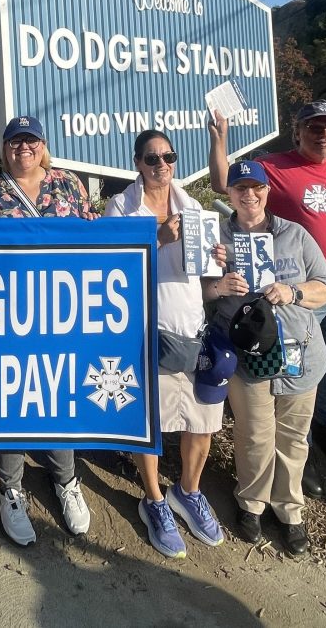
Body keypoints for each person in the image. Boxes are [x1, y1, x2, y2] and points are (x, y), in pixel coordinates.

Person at [209, 101, 326, 496]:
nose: (323, 134)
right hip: (281, 297)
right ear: (298, 131)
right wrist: (220, 137)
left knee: (325, 366)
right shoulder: (274, 167)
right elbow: (227, 180)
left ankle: (322, 436)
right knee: (273, 378)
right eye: (314, 127)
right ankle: (276, 476)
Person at [0, 115, 94, 546]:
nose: (23, 148)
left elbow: (98, 239)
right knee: (13, 395)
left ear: (43, 145)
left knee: (56, 391)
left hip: (63, 310)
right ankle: (11, 487)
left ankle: (66, 480)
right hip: (6, 312)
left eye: (31, 141)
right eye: (15, 142)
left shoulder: (69, 185)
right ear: (5, 148)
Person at [102, 130, 225, 558]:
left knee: (203, 424)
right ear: (138, 163)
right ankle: (154, 499)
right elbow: (112, 265)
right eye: (152, 158)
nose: (161, 164)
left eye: (168, 156)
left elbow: (205, 281)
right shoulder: (121, 206)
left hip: (192, 328)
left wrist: (219, 268)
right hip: (146, 331)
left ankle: (187, 493)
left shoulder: (195, 207)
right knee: (150, 425)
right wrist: (158, 239)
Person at [204, 161, 326, 555]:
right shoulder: (216, 238)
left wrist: (293, 292)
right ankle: (251, 502)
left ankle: (290, 510)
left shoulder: (294, 234)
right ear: (229, 194)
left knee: (293, 438)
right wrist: (218, 286)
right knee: (255, 433)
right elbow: (192, 291)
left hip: (299, 351)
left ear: (267, 191)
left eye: (256, 188)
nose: (249, 195)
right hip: (246, 354)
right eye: (240, 188)